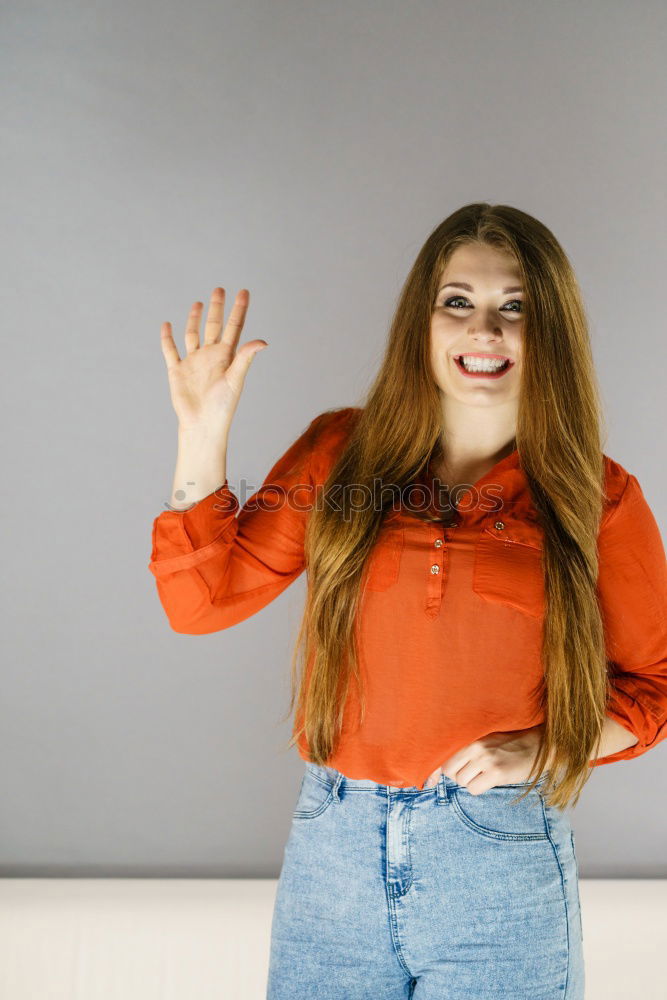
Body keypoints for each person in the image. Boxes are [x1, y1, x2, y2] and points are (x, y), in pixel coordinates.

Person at [148, 203, 667, 999]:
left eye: (514, 308)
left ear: (550, 330)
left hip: (497, 860)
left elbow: (652, 686)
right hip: (334, 855)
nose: (483, 330)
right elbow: (202, 602)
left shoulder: (597, 495)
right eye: (456, 301)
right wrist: (200, 433)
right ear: (421, 322)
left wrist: (550, 749)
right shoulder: (338, 454)